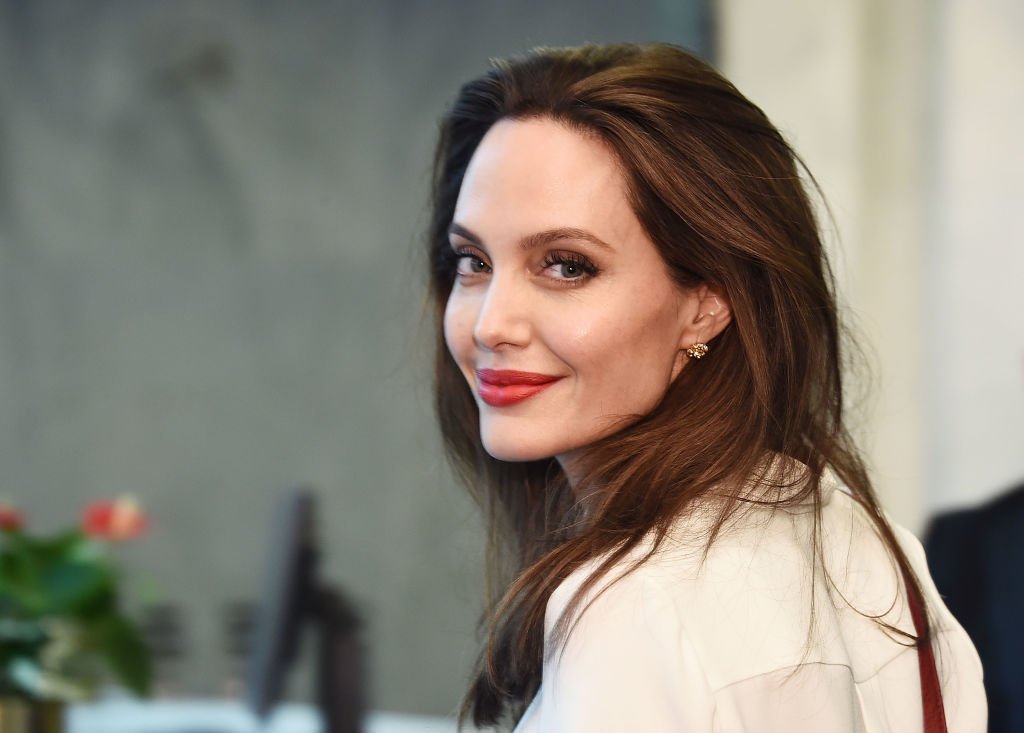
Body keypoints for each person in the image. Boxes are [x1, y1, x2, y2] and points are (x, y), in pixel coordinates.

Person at [425, 43, 986, 732]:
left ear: (707, 302)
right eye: (473, 260)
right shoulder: (855, 539)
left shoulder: (639, 610)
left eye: (566, 266)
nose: (491, 322)